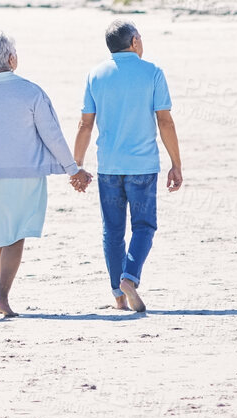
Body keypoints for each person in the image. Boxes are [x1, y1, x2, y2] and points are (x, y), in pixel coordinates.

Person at [0, 31, 81, 317]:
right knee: (15, 235)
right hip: (25, 175)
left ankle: (0, 295)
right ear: (12, 58)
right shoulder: (31, 91)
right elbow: (52, 135)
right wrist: (73, 170)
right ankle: (2, 297)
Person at [72, 20, 183, 314]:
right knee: (144, 225)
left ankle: (118, 296)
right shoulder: (152, 73)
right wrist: (176, 163)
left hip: (109, 166)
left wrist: (76, 166)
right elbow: (165, 122)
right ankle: (129, 278)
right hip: (143, 166)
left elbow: (85, 124)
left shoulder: (95, 75)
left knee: (113, 231)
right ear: (134, 41)